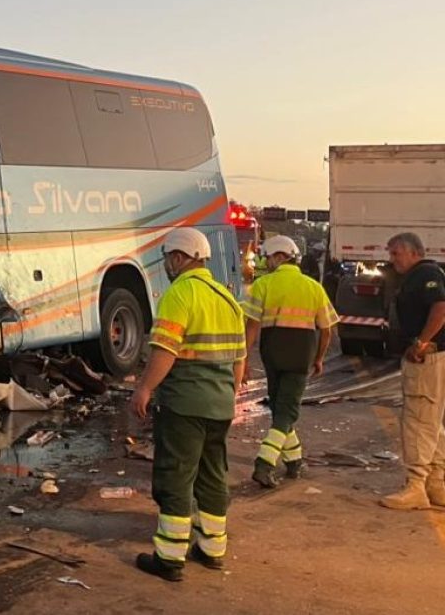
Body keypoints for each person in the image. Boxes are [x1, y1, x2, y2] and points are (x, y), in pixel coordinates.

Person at [129, 228, 246, 582]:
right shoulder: (227, 298)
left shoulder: (179, 293)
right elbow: (240, 359)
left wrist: (144, 389)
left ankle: (169, 557)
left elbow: (165, 350)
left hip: (184, 404)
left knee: (177, 476)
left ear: (179, 258)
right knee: (212, 475)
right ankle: (212, 549)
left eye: (167, 259)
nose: (166, 266)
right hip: (220, 404)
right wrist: (228, 393)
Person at [242, 235, 339, 487]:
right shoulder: (313, 287)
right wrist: (318, 359)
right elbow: (327, 330)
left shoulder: (263, 285)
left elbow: (251, 328)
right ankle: (264, 465)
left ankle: (294, 462)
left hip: (272, 353)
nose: (268, 263)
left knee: (280, 409)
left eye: (269, 257)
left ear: (279, 257)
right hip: (301, 355)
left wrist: (241, 362)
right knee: (286, 412)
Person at [380, 232, 445, 510]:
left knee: (418, 419)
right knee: (434, 422)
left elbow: (441, 308)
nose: (392, 259)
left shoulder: (425, 274)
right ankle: (436, 483)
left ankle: (416, 484)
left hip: (426, 360)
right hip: (434, 358)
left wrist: (421, 342)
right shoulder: (423, 274)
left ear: (414, 252)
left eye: (396, 253)